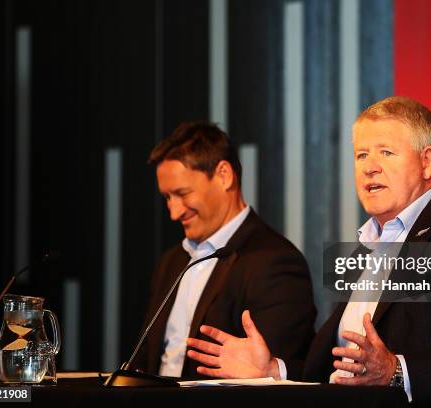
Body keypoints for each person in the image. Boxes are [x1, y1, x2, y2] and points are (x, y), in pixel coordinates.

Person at [185, 97, 431, 406]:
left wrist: (398, 371)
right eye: (361, 154)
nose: (369, 167)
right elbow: (334, 369)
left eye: (386, 152)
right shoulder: (367, 249)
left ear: (427, 162)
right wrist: (273, 370)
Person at [134, 121, 316, 380]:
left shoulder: (276, 262)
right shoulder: (172, 262)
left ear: (224, 175)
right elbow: (146, 358)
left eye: (182, 193)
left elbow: (278, 375)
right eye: (167, 198)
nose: (174, 212)